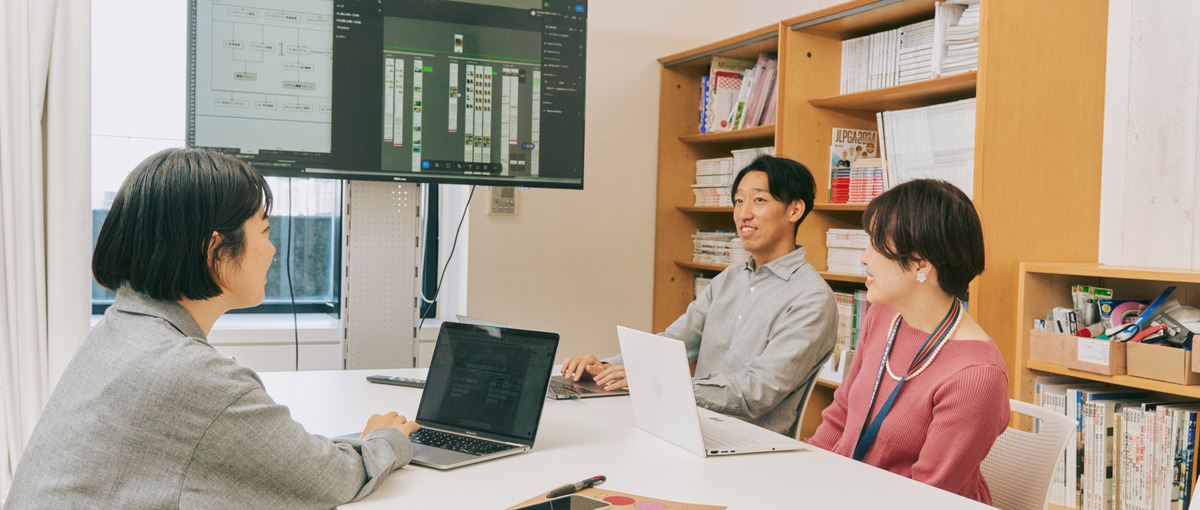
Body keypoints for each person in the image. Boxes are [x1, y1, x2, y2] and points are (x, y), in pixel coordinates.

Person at [6, 148, 418, 508]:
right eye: (264, 230)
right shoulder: (191, 374)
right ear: (217, 251)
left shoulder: (119, 331)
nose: (273, 249)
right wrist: (383, 439)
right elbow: (331, 479)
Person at [561, 155, 838, 436]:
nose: (743, 214)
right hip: (689, 422)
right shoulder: (730, 278)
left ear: (795, 210)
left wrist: (659, 382)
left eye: (759, 200)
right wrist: (607, 368)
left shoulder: (812, 299)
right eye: (739, 201)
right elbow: (674, 342)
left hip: (748, 443)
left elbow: (758, 392)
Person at [806, 179, 1009, 504]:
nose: (863, 258)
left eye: (875, 245)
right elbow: (841, 415)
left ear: (920, 265)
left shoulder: (976, 375)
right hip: (844, 494)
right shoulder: (883, 315)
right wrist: (799, 478)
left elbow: (925, 498)